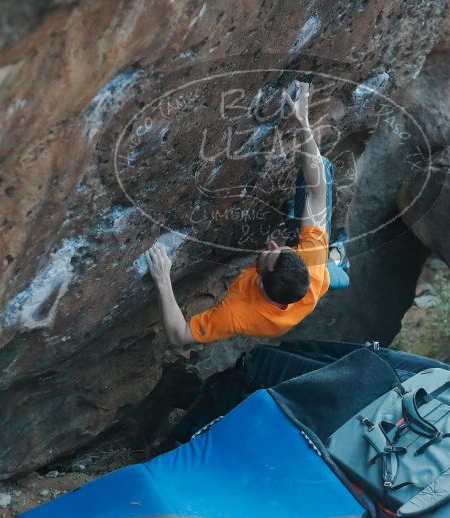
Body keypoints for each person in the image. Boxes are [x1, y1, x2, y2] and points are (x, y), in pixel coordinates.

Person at [144, 81, 349, 346]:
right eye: (284, 249)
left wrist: (163, 279)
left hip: (311, 283)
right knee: (322, 171)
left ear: (261, 284)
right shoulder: (311, 259)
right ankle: (338, 256)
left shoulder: (241, 314)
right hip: (318, 274)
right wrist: (302, 122)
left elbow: (177, 335)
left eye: (269, 253)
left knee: (330, 271)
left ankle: (338, 257)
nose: (272, 244)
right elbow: (316, 190)